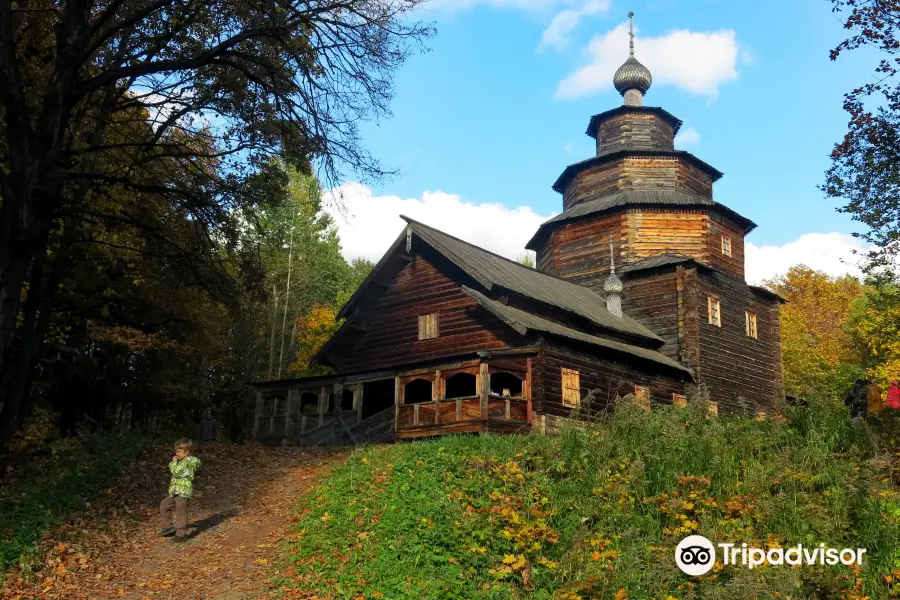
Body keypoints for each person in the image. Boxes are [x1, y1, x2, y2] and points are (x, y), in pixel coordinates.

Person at [159, 438, 202, 542]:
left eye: (179, 451)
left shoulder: (187, 462)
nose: (176, 453)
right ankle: (168, 527)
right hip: (174, 491)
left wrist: (173, 463)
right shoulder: (181, 461)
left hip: (183, 492)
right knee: (164, 505)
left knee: (181, 512)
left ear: (187, 452)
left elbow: (176, 472)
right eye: (176, 451)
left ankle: (181, 534)